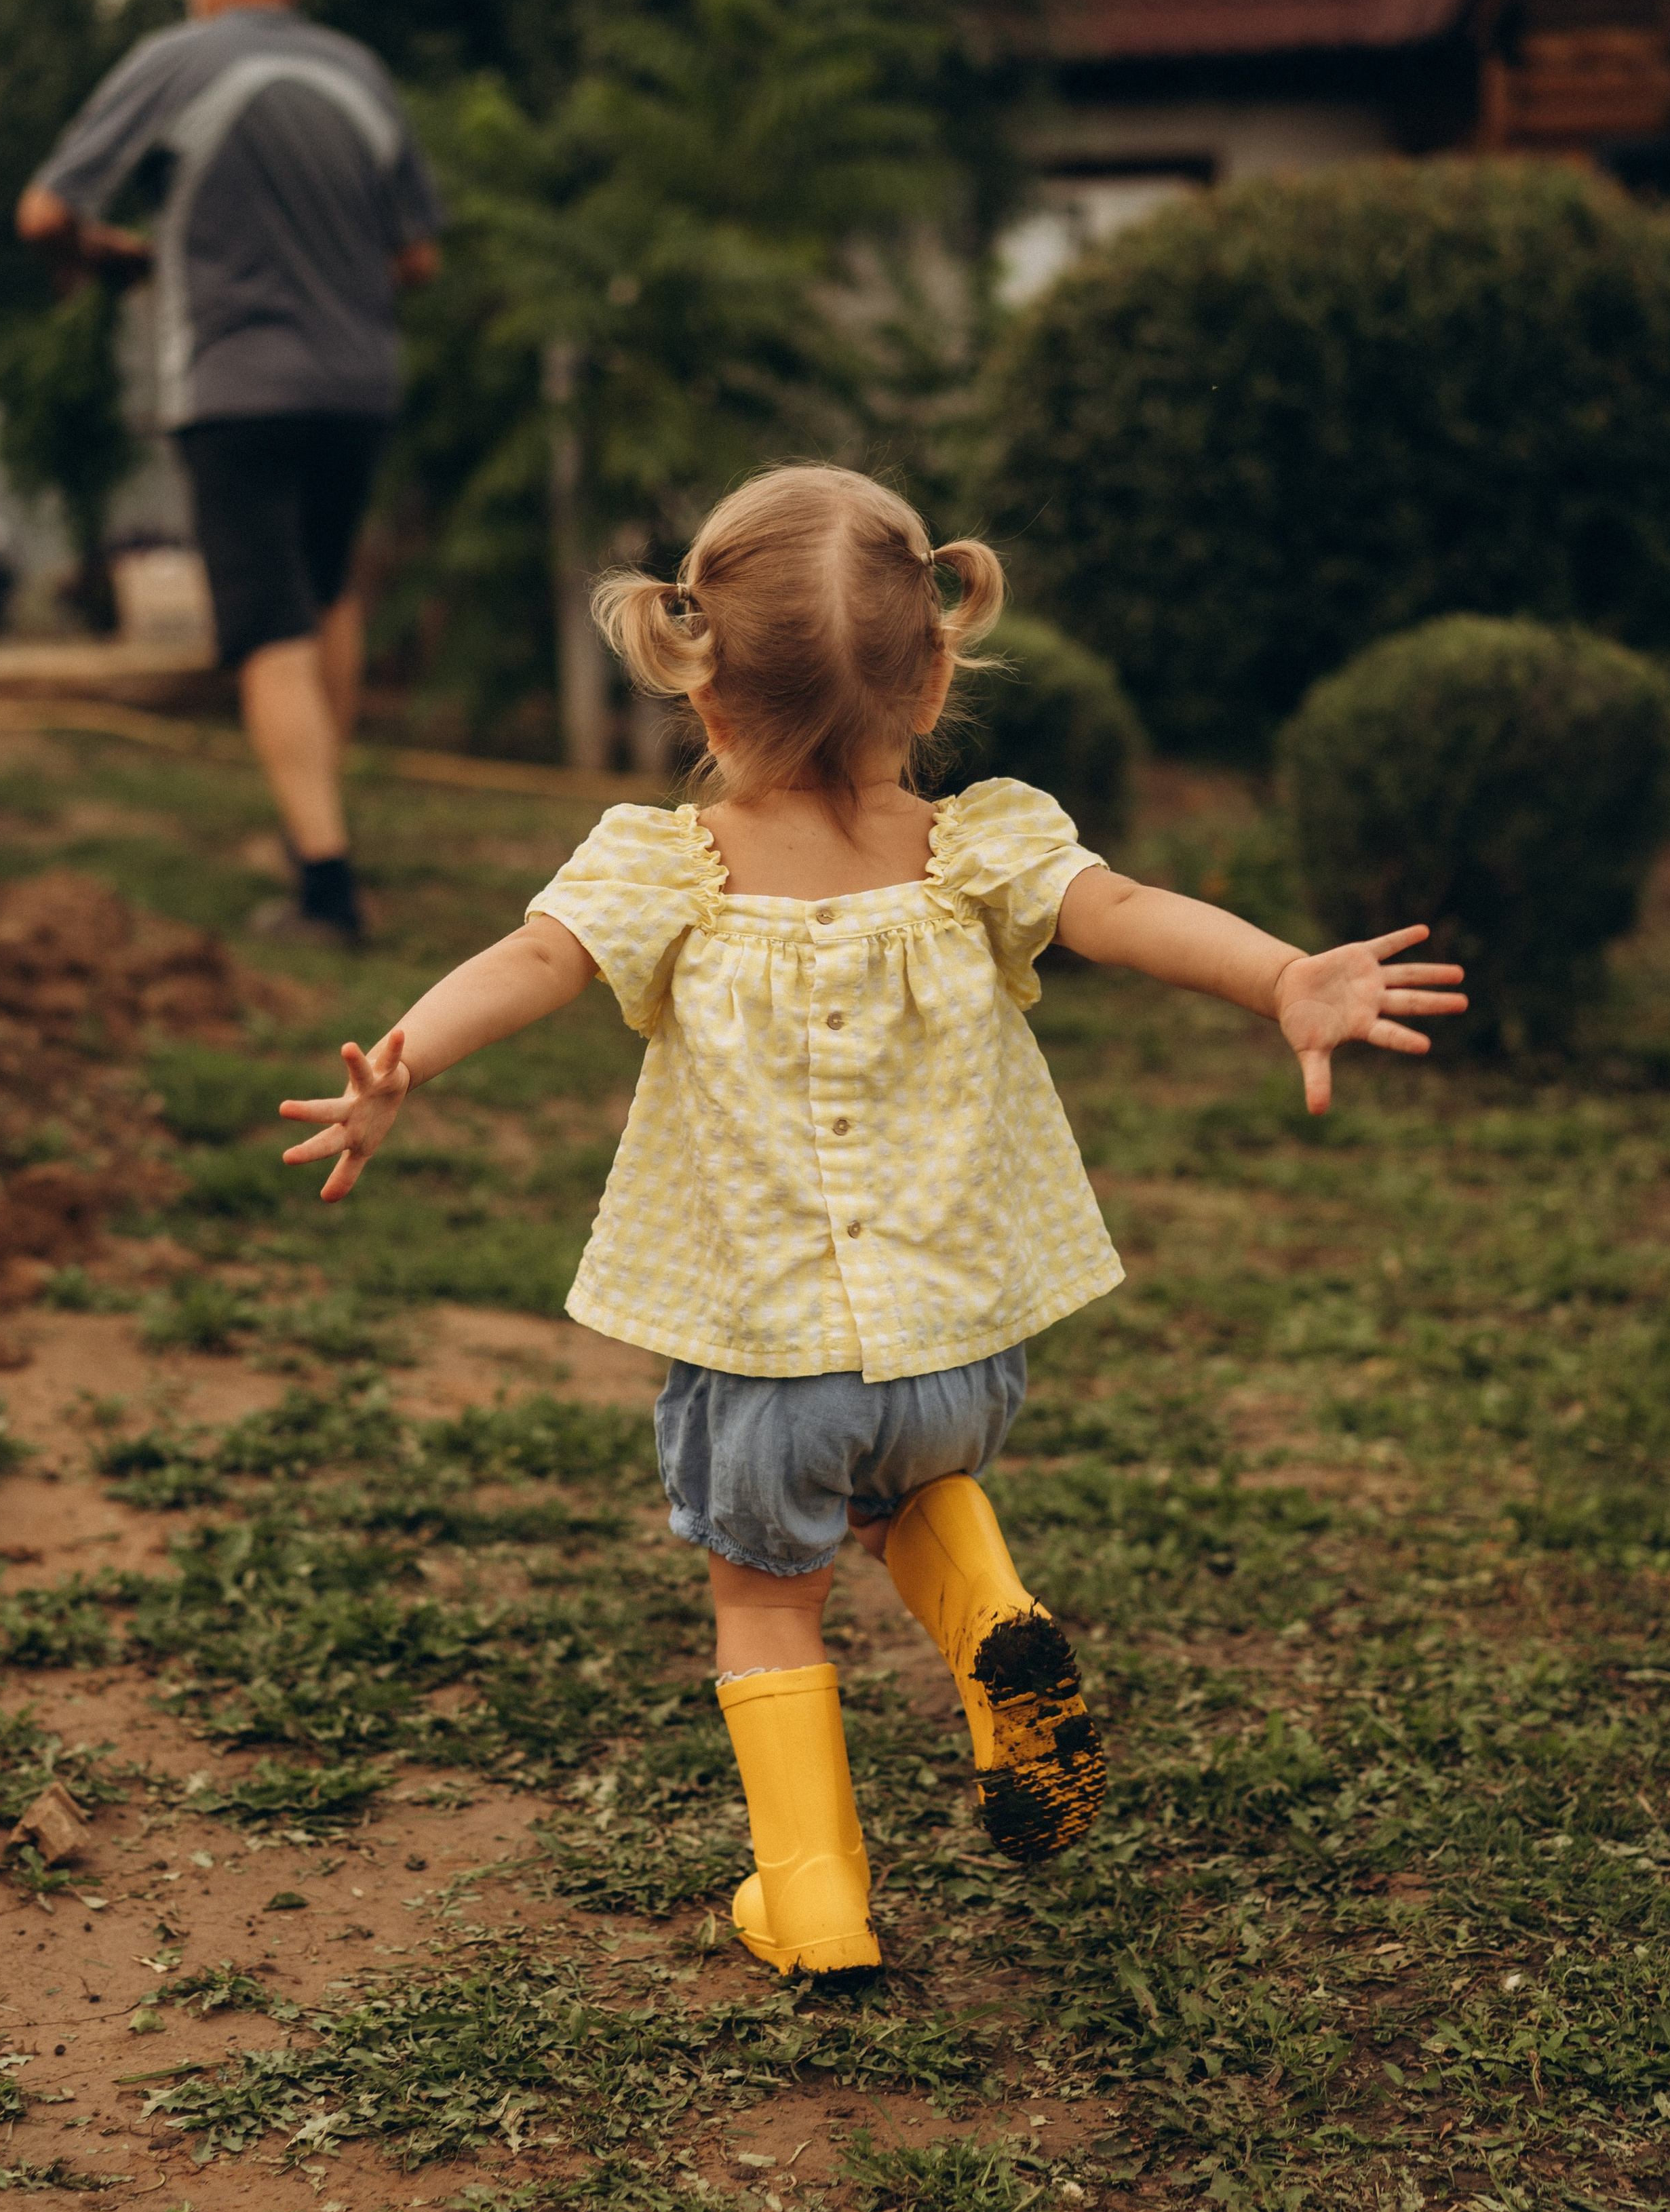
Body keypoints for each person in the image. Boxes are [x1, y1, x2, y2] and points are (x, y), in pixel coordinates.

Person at [277, 464, 1467, 1975]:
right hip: (953, 1359)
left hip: (768, 1362)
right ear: (934, 679)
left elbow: (535, 960)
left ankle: (817, 1903)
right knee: (907, 1493)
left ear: (699, 686)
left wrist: (401, 1063)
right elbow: (1123, 913)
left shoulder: (666, 865)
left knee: (767, 1604)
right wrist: (1283, 974)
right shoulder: (982, 848)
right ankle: (986, 1618)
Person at [16, 0, 443, 945]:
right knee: (328, 598)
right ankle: (320, 835)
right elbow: (418, 258)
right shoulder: (358, 72)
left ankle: (326, 888)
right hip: (356, 386)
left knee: (269, 630)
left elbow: (46, 211)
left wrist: (110, 255)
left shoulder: (178, 60)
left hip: (236, 387)